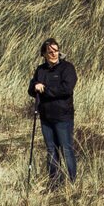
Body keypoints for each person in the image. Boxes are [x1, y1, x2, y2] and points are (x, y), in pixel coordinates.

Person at [28, 36, 79, 186]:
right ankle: (54, 182)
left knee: (67, 149)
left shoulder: (67, 68)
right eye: (50, 52)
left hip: (63, 116)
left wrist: (45, 90)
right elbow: (31, 89)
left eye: (56, 50)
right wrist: (35, 87)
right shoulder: (40, 70)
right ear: (44, 54)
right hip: (46, 117)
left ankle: (72, 182)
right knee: (51, 150)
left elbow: (66, 89)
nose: (54, 54)